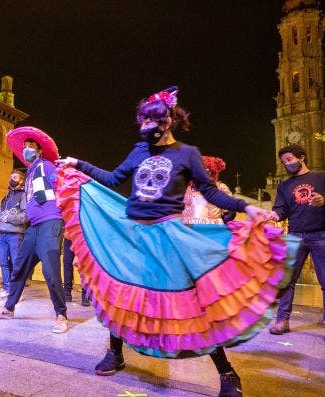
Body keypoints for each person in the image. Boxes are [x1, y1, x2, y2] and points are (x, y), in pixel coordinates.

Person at [55, 86, 297, 397]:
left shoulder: (187, 153)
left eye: (149, 122)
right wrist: (79, 165)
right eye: (141, 122)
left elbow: (210, 192)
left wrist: (246, 207)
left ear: (167, 121)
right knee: (119, 293)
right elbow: (114, 178)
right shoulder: (139, 150)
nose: (144, 128)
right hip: (130, 232)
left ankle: (227, 374)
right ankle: (115, 353)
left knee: (192, 303)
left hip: (165, 234)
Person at [0, 127, 70, 334]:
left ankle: (61, 315)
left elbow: (63, 186)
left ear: (40, 151)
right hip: (33, 227)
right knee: (20, 267)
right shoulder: (31, 171)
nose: (26, 149)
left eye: (31, 146)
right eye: (25, 147)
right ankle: (9, 307)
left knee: (50, 270)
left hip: (51, 222)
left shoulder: (46, 166)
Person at [269, 144, 324, 333]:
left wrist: (323, 200)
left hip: (320, 234)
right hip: (294, 236)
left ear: (301, 157)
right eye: (284, 162)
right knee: (287, 279)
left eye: (289, 159)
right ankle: (282, 320)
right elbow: (281, 209)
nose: (286, 164)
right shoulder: (284, 186)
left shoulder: (321, 177)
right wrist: (274, 215)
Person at [0, 169, 28, 300]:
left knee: (16, 263)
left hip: (15, 235)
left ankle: (17, 292)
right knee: (3, 262)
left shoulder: (23, 196)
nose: (11, 179)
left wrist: (10, 218)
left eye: (15, 177)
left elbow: (25, 216)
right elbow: (0, 215)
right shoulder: (6, 197)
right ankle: (6, 288)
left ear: (21, 181)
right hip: (2, 234)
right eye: (11, 177)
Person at [182, 156, 236, 224]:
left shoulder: (220, 188)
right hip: (190, 229)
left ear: (212, 173)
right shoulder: (187, 189)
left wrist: (218, 224)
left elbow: (230, 212)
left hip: (212, 229)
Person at [62, 238, 90, 306]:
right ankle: (67, 293)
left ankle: (67, 293)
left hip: (80, 234)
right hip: (75, 234)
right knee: (68, 263)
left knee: (83, 264)